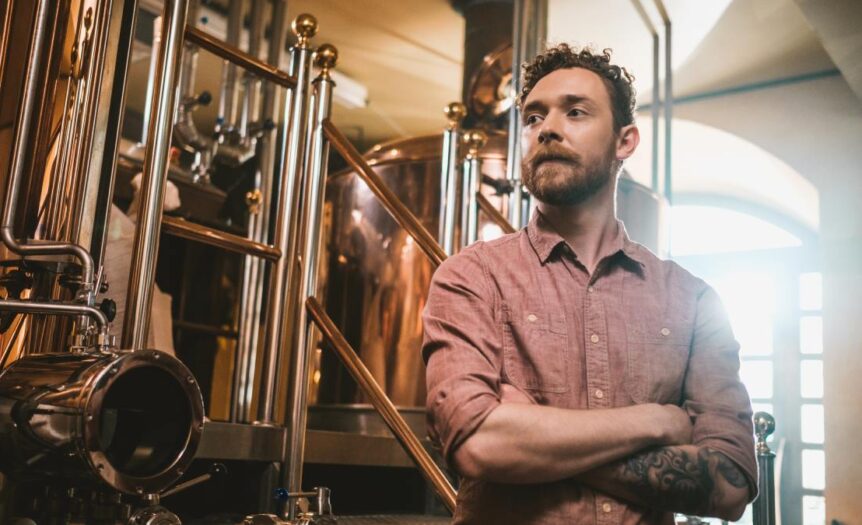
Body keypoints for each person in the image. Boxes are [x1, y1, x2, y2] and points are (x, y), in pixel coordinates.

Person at [422, 44, 757, 524]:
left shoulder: (693, 299)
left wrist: (534, 437)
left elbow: (730, 485)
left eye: (575, 112)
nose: (548, 128)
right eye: (534, 118)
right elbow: (479, 445)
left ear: (625, 142)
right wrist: (658, 421)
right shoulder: (470, 277)